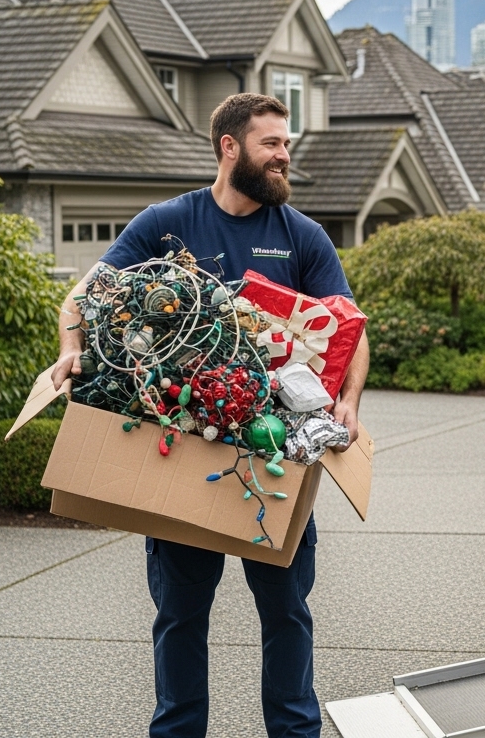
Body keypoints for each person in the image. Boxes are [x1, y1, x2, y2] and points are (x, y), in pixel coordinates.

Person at [50, 93, 369, 738]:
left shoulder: (300, 235)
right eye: (272, 144)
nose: (286, 155)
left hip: (274, 455)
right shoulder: (167, 223)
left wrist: (349, 401)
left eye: (286, 143)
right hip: (185, 447)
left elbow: (350, 330)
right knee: (179, 615)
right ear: (231, 148)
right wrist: (70, 350)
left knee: (286, 613)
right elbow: (84, 295)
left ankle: (294, 732)